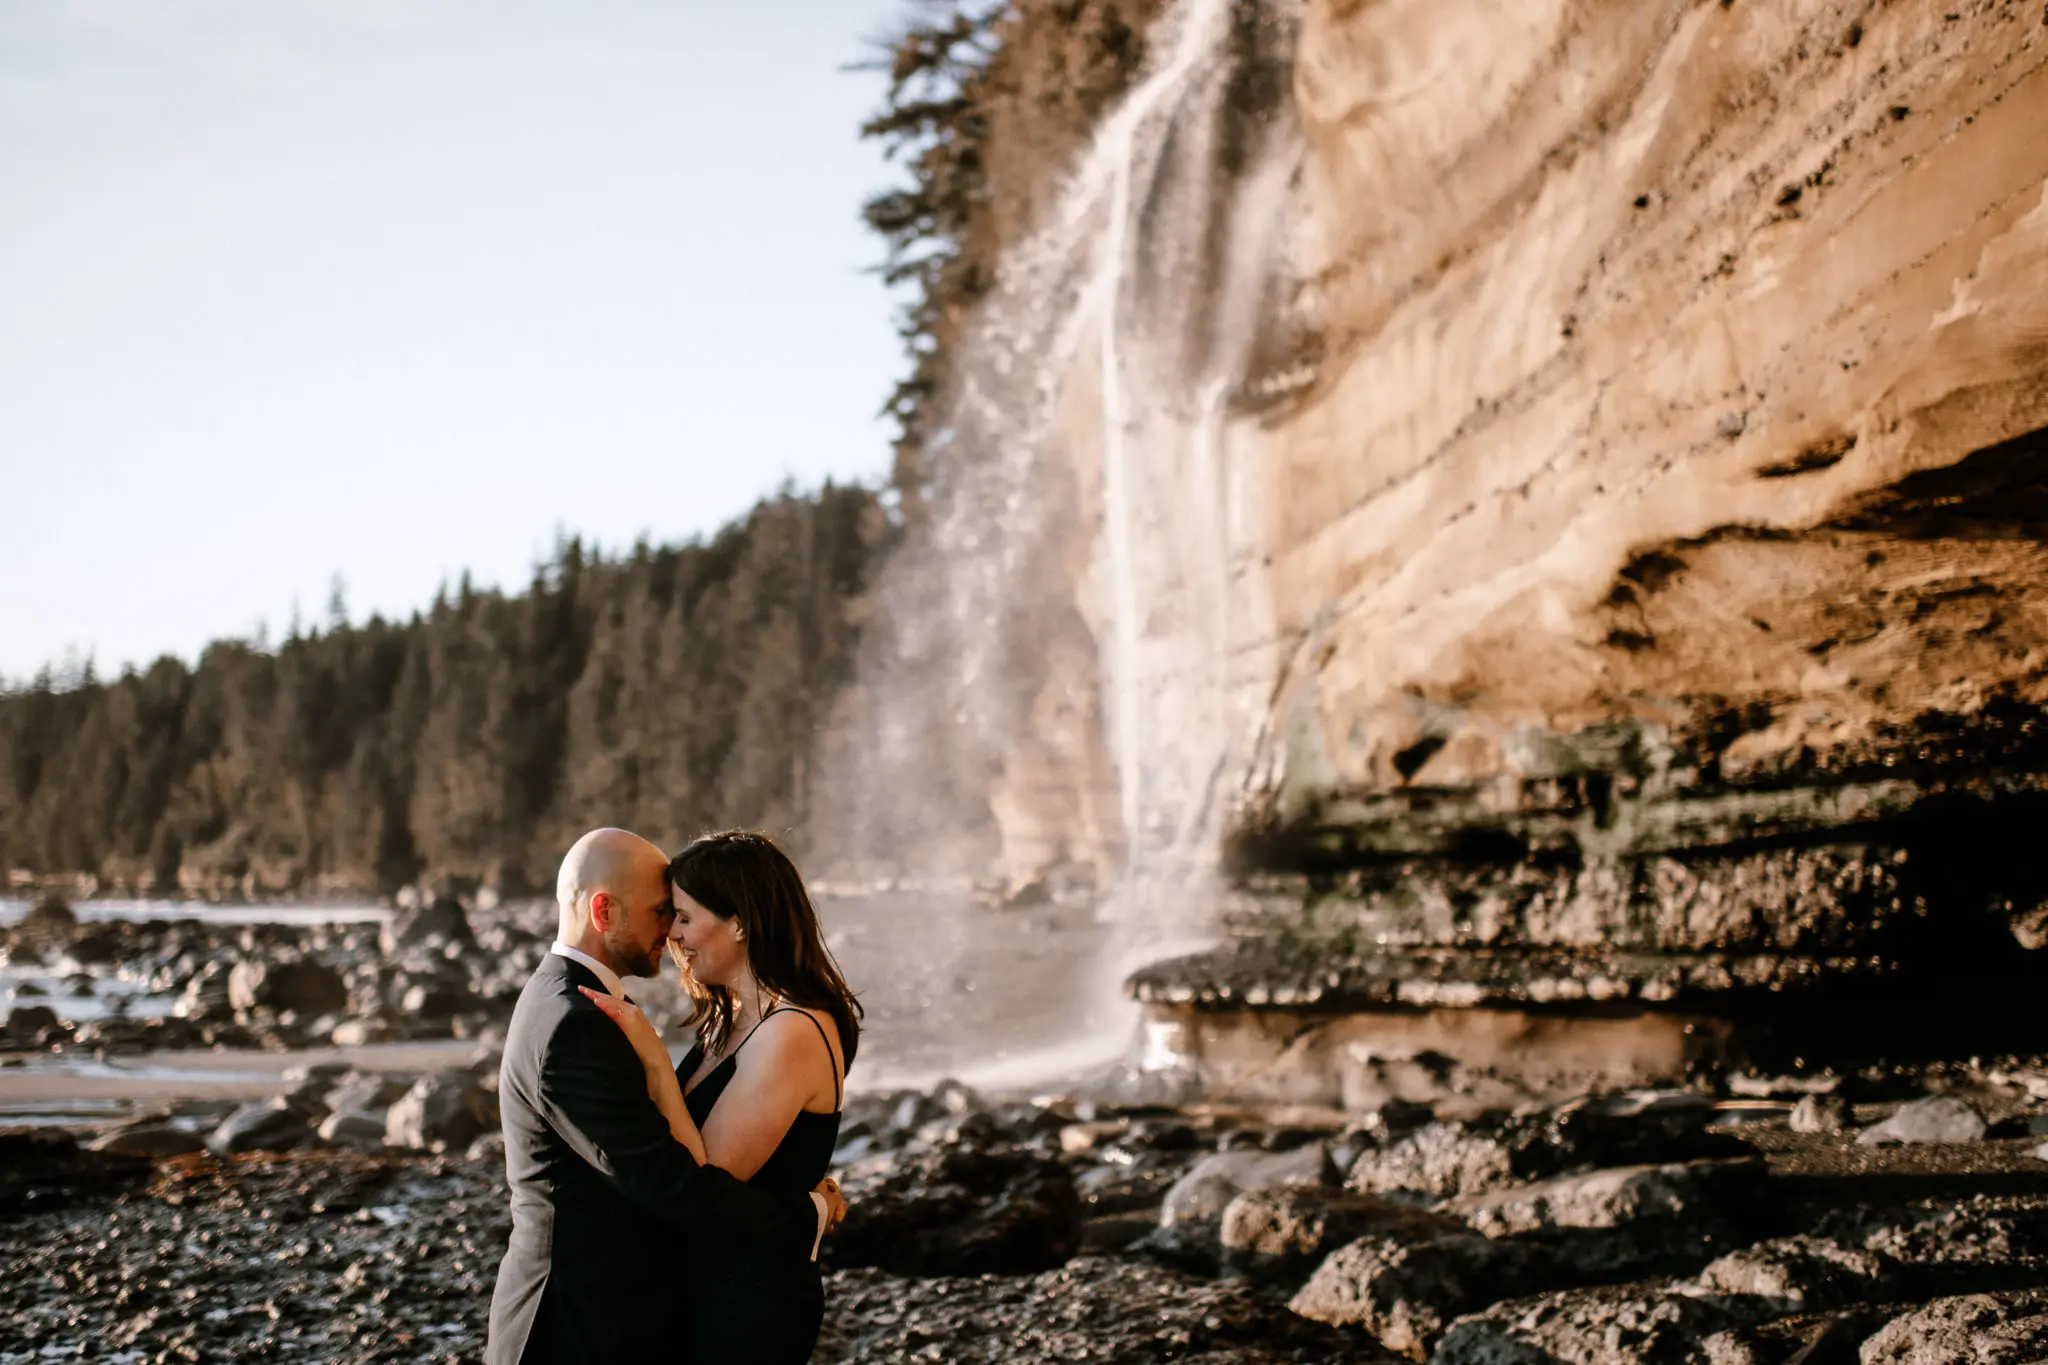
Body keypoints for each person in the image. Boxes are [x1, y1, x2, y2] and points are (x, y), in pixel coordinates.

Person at [485, 827, 846, 1365]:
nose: (671, 933)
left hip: (724, 1309)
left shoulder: (568, 1003)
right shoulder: (575, 1022)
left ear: (740, 923)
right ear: (604, 912)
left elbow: (686, 1180)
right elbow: (679, 1189)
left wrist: (656, 1063)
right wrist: (810, 1215)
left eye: (681, 914)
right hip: (569, 1327)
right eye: (663, 911)